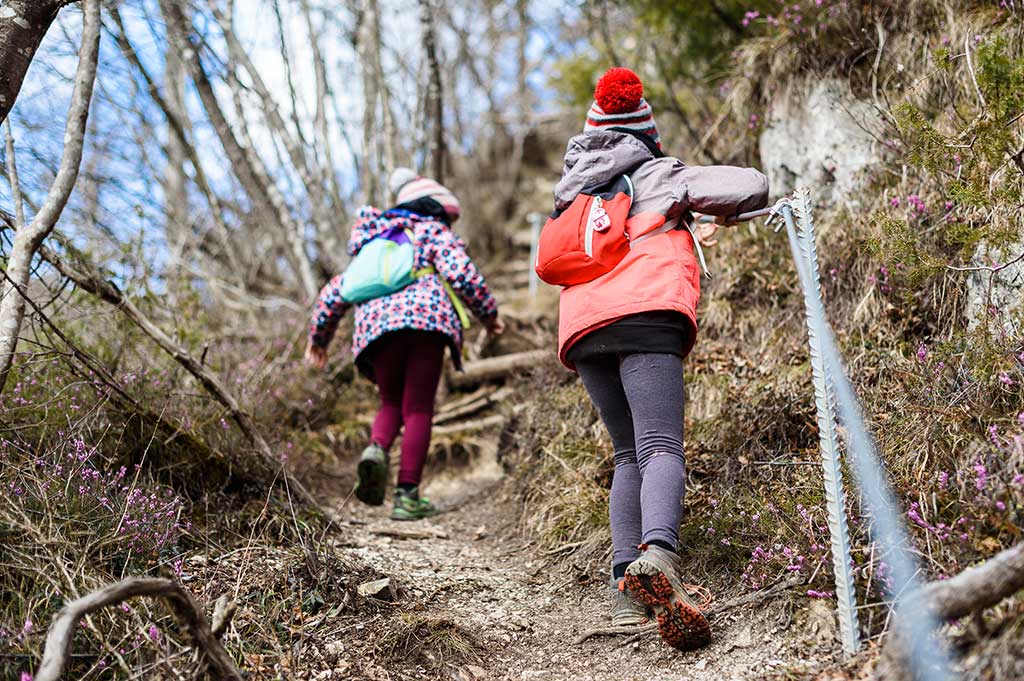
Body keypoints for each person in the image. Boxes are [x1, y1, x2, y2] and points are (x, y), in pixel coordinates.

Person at [551, 67, 769, 650]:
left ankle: (627, 592)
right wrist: (696, 203)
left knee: (627, 455)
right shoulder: (660, 172)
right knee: (659, 447)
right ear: (644, 132)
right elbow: (751, 184)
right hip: (646, 316)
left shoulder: (572, 191)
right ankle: (661, 559)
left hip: (584, 330)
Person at [306, 169, 503, 520]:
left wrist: (319, 339)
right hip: (425, 324)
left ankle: (376, 448)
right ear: (435, 209)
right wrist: (489, 316)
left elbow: (335, 291)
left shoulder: (374, 238)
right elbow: (462, 274)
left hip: (375, 330)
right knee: (418, 409)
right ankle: (407, 496)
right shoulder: (431, 229)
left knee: (390, 402)